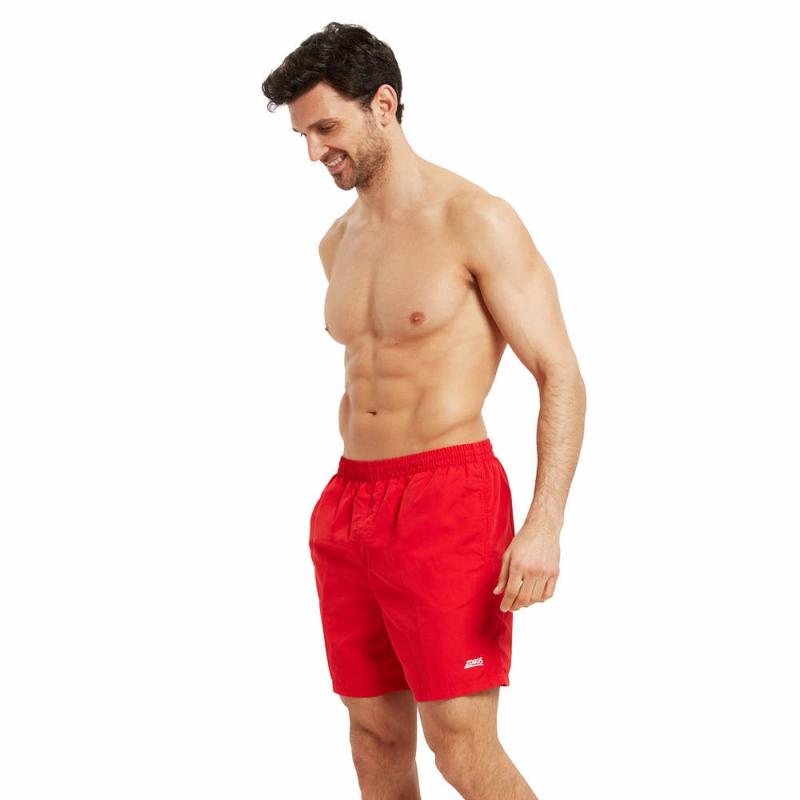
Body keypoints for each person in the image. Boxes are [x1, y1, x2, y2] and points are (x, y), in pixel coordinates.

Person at [262, 22, 586, 800]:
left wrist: (544, 522)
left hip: (447, 500)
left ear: (384, 105)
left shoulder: (476, 219)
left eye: (325, 128)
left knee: (461, 747)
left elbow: (560, 374)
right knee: (374, 739)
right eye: (304, 136)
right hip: (350, 504)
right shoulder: (337, 243)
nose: (314, 152)